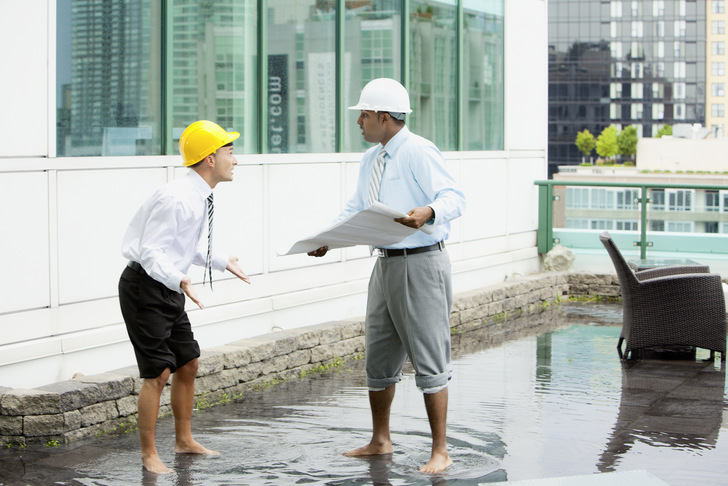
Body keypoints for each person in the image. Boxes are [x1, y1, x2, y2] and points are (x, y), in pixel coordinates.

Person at [308, 78, 465, 474]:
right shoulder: (371, 159)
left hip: (422, 263)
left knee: (429, 356)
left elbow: (454, 198)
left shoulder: (418, 151)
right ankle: (380, 440)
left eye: (363, 114)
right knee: (378, 354)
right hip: (386, 263)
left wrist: (426, 212)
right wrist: (327, 237)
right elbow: (357, 207)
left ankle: (440, 451)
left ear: (383, 117)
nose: (358, 121)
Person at [118, 120, 251, 474]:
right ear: (210, 159)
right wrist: (180, 280)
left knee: (188, 361)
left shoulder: (197, 195)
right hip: (145, 286)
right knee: (158, 371)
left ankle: (183, 440)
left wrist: (221, 261)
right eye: (229, 152)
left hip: (169, 284)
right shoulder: (177, 198)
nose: (235, 160)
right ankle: (149, 454)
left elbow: (182, 247)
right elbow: (151, 252)